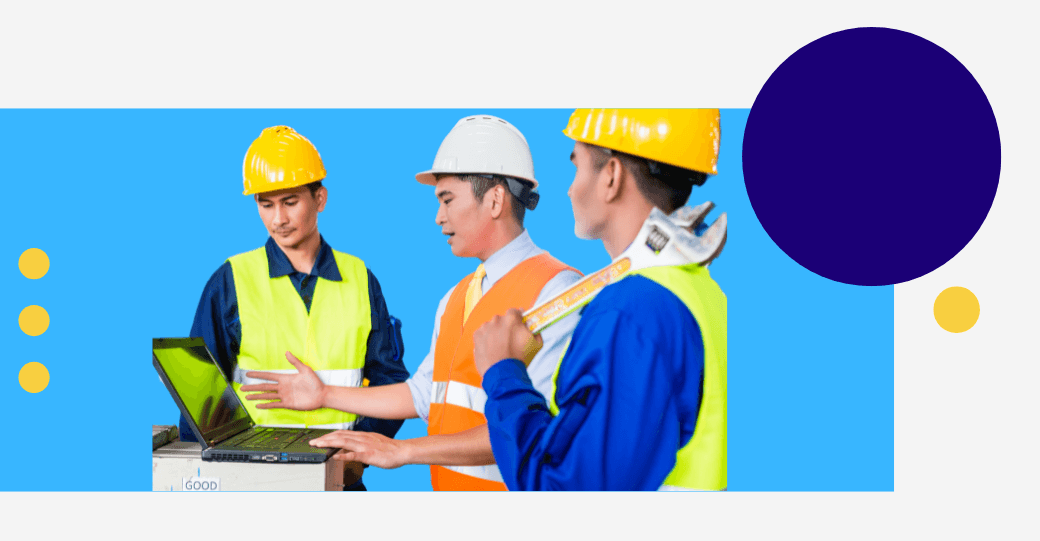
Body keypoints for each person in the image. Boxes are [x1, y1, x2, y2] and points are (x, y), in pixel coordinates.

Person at [242, 115, 582, 490]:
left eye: (447, 199)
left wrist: (403, 451)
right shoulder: (456, 298)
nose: (439, 218)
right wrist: (324, 394)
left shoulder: (557, 293)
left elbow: (533, 426)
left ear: (496, 199)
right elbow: (422, 394)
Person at [473, 109, 728, 491]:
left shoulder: (630, 312)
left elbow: (569, 491)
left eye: (576, 167)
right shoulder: (702, 292)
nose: (570, 189)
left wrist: (504, 373)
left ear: (611, 176)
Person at [183, 125, 410, 491]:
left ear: (320, 198)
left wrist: (358, 456)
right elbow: (199, 400)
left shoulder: (360, 279)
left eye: (290, 202)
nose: (278, 219)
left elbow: (392, 382)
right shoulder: (230, 281)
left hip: (338, 478)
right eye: (265, 204)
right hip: (253, 482)